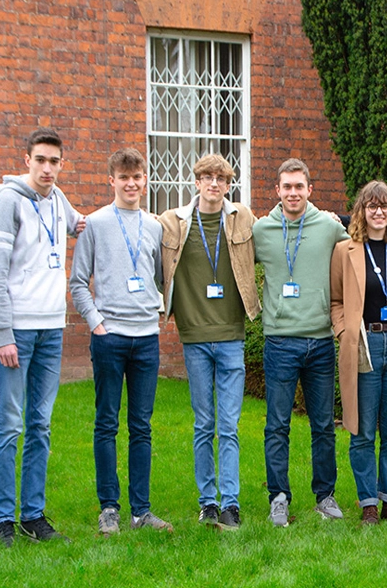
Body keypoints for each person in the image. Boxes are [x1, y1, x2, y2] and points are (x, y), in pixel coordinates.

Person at [0, 128, 83, 546]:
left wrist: (135, 213)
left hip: (51, 329)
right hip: (17, 333)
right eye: (40, 160)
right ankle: (2, 521)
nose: (47, 168)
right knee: (10, 424)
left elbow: (83, 224)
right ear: (26, 159)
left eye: (54, 161)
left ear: (61, 164)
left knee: (40, 425)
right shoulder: (8, 203)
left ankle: (33, 516)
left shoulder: (57, 199)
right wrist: (3, 332)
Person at [70, 148, 172, 535]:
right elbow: (79, 282)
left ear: (146, 181)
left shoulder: (154, 226)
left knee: (142, 426)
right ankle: (109, 508)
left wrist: (159, 312)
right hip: (109, 337)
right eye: (123, 177)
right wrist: (97, 323)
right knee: (106, 423)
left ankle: (141, 511)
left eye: (137, 177)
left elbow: (162, 276)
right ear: (111, 180)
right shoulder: (95, 224)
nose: (131, 184)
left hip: (146, 338)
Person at [159, 154, 261, 531]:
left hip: (232, 335)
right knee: (204, 423)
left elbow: (281, 229)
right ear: (197, 181)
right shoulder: (174, 223)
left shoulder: (243, 218)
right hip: (195, 337)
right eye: (207, 177)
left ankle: (231, 503)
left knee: (229, 425)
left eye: (221, 178)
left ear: (228, 183)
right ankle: (208, 503)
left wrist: (334, 219)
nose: (214, 184)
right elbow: (135, 227)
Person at [252, 158, 349, 527]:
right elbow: (236, 261)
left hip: (320, 341)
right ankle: (278, 497)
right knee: (277, 425)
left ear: (310, 189)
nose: (293, 193)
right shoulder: (262, 230)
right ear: (277, 191)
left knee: (323, 424)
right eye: (286, 187)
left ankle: (325, 496)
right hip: (279, 341)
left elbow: (363, 249)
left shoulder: (327, 226)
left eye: (299, 186)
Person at [331, 180, 387, 525]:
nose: (379, 212)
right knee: (362, 430)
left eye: (384, 206)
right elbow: (336, 301)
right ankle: (368, 501)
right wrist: (344, 333)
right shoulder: (346, 251)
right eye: (372, 206)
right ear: (361, 211)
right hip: (365, 347)